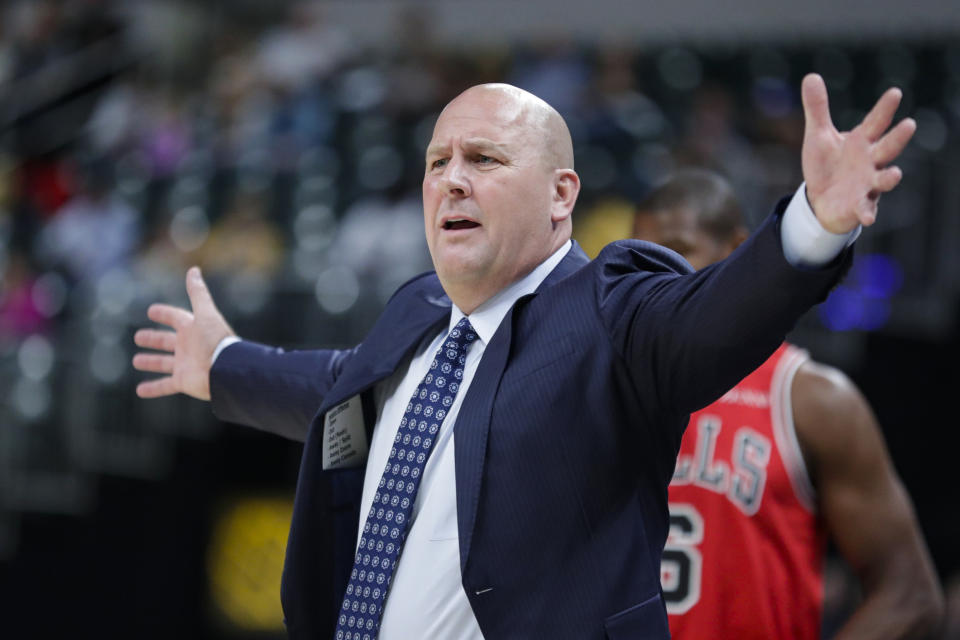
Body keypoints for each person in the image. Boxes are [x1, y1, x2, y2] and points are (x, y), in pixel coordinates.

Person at [133, 75, 916, 639]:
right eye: (438, 163)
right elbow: (338, 392)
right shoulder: (417, 314)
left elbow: (713, 320)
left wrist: (814, 225)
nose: (452, 181)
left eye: (484, 159)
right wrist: (223, 363)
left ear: (560, 194)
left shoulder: (609, 308)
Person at [632, 169, 944, 639]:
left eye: (679, 250)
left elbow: (910, 596)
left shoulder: (811, 399)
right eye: (641, 258)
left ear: (737, 251)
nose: (656, 276)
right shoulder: (604, 386)